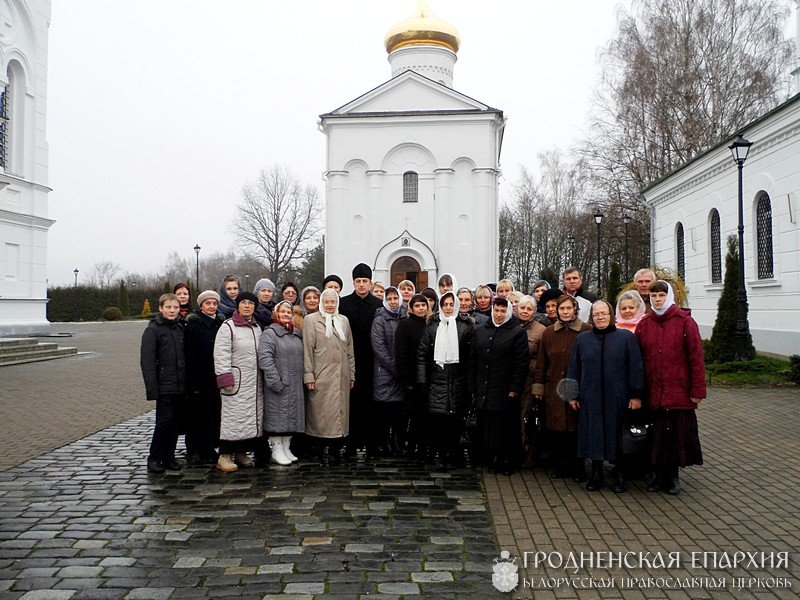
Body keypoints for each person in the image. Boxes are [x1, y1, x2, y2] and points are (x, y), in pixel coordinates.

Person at [636, 281, 706, 495]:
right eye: (653, 296)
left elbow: (696, 358)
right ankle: (657, 475)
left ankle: (673, 477)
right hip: (653, 390)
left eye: (661, 295)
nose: (657, 299)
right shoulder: (645, 324)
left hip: (678, 391)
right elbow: (638, 359)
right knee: (656, 435)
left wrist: (697, 391)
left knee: (675, 435)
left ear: (670, 296)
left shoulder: (685, 322)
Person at [568, 300, 645, 493]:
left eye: (604, 313)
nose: (600, 317)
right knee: (593, 434)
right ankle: (596, 473)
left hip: (617, 397)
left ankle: (619, 474)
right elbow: (574, 369)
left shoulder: (626, 337)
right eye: (596, 314)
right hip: (590, 397)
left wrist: (636, 395)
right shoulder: (582, 340)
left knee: (616, 435)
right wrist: (572, 395)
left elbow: (635, 368)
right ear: (591, 317)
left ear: (611, 315)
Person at [533, 295, 592, 481]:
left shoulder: (586, 330)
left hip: (578, 388)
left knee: (576, 428)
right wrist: (538, 388)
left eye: (569, 308)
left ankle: (578, 466)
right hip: (554, 389)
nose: (565, 312)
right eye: (562, 309)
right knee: (557, 428)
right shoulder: (549, 333)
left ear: (575, 309)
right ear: (557, 311)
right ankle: (560, 465)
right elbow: (542, 362)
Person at [470, 297, 529, 475]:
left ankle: (507, 460)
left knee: (505, 427)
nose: (499, 314)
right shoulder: (480, 331)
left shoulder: (517, 332)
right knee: (487, 425)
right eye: (496, 310)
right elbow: (473, 360)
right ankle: (489, 457)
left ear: (509, 312)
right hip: (484, 387)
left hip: (504, 388)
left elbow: (521, 364)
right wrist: (472, 385)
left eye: (503, 311)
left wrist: (514, 388)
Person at [418, 291, 475, 468]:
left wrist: (469, 381)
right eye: (445, 304)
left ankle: (454, 454)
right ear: (440, 306)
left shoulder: (465, 326)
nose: (448, 308)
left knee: (456, 419)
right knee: (438, 419)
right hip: (437, 379)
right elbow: (422, 354)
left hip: (458, 379)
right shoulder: (433, 326)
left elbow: (471, 356)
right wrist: (422, 380)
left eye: (451, 304)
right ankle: (439, 453)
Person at [303, 288, 355, 465]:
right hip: (321, 374)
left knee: (338, 414)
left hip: (341, 375)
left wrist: (352, 374)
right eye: (327, 302)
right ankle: (318, 448)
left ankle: (335, 448)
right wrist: (308, 375)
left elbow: (349, 350)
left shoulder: (343, 321)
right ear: (321, 303)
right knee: (319, 413)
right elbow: (307, 350)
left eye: (333, 301)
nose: (330, 305)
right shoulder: (311, 320)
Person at [213, 291, 263, 472]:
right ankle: (224, 455)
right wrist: (225, 377)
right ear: (238, 305)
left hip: (253, 382)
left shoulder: (257, 328)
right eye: (243, 303)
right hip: (236, 382)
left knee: (248, 419)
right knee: (232, 419)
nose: (247, 306)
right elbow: (221, 354)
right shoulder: (228, 327)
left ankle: (241, 452)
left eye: (250, 303)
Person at [338, 263, 383, 457]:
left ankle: (372, 443)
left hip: (372, 360)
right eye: (358, 281)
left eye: (365, 281)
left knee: (372, 404)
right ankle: (351, 442)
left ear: (371, 283)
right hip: (351, 358)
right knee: (352, 402)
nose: (362, 285)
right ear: (354, 282)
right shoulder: (344, 303)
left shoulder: (378, 305)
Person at [140, 293, 186, 474]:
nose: (172, 311)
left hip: (180, 384)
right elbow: (147, 362)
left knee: (175, 423)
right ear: (161, 308)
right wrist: (152, 388)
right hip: (164, 384)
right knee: (164, 422)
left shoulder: (180, 327)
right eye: (168, 307)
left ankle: (169, 457)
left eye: (175, 307)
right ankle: (154, 457)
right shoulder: (153, 330)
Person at [258, 300, 305, 466]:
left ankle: (286, 447)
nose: (286, 314)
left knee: (291, 416)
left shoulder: (295, 333)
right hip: (278, 384)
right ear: (275, 314)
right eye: (282, 312)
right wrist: (275, 381)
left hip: (295, 383)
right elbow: (265, 359)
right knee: (277, 416)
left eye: (288, 312)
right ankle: (276, 448)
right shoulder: (269, 333)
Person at [184, 290, 225, 466]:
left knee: (213, 415)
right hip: (199, 377)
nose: (212, 307)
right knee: (196, 416)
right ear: (201, 306)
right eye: (208, 303)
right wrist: (192, 382)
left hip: (215, 376)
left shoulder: (221, 324)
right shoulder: (193, 326)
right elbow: (190, 355)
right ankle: (194, 449)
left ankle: (209, 447)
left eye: (214, 303)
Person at [370, 286, 407, 455]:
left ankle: (397, 442)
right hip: (384, 372)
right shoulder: (379, 320)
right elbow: (379, 347)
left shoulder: (405, 317)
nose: (393, 302)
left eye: (395, 298)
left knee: (399, 412)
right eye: (389, 299)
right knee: (384, 412)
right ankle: (384, 443)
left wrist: (403, 369)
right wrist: (395, 367)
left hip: (401, 373)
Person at [395, 294, 430, 461]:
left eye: (423, 305)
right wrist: (406, 379)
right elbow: (401, 353)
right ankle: (408, 445)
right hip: (411, 377)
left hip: (428, 376)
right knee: (411, 414)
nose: (421, 308)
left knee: (425, 414)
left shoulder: (430, 324)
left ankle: (423, 446)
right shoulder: (405, 324)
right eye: (417, 305)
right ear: (411, 308)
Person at [516, 295, 546, 468]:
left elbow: (542, 360)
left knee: (524, 416)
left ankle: (524, 451)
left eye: (529, 309)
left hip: (529, 379)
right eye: (522, 308)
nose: (525, 311)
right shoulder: (510, 325)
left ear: (534, 311)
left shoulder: (540, 330)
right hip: (511, 379)